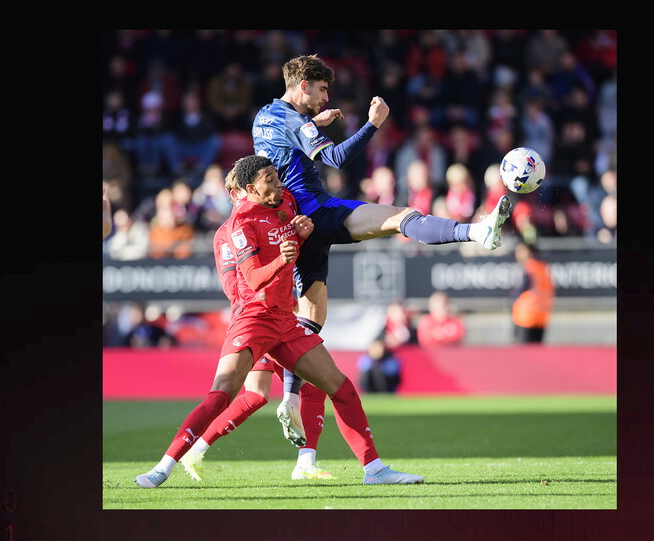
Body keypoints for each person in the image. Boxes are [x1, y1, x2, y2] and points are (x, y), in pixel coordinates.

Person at [251, 54, 512, 436]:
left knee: (311, 318)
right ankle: (476, 231)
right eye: (322, 90)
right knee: (402, 217)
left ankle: (289, 398)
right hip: (318, 210)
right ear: (303, 86)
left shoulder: (264, 116)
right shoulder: (294, 119)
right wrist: (373, 125)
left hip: (293, 224)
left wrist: (311, 122)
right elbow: (337, 158)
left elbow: (284, 147)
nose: (326, 98)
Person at [134, 155, 423, 487]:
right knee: (223, 394)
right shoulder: (240, 226)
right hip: (252, 320)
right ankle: (164, 466)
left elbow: (290, 244)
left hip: (286, 320)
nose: (277, 183)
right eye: (268, 179)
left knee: (340, 387)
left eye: (275, 176)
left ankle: (374, 469)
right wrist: (285, 256)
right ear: (248, 189)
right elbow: (253, 279)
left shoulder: (286, 201)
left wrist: (300, 238)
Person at [178, 164, 315, 482]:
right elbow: (233, 286)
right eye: (241, 194)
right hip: (257, 318)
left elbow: (286, 247)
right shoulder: (229, 234)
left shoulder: (270, 214)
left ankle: (197, 451)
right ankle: (305, 456)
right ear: (238, 193)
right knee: (301, 384)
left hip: (278, 312)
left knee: (256, 395)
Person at [511, 242, 555, 343]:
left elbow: (520, 289)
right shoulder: (543, 267)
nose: (518, 254)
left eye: (520, 251)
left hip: (525, 317)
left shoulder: (528, 269)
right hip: (541, 317)